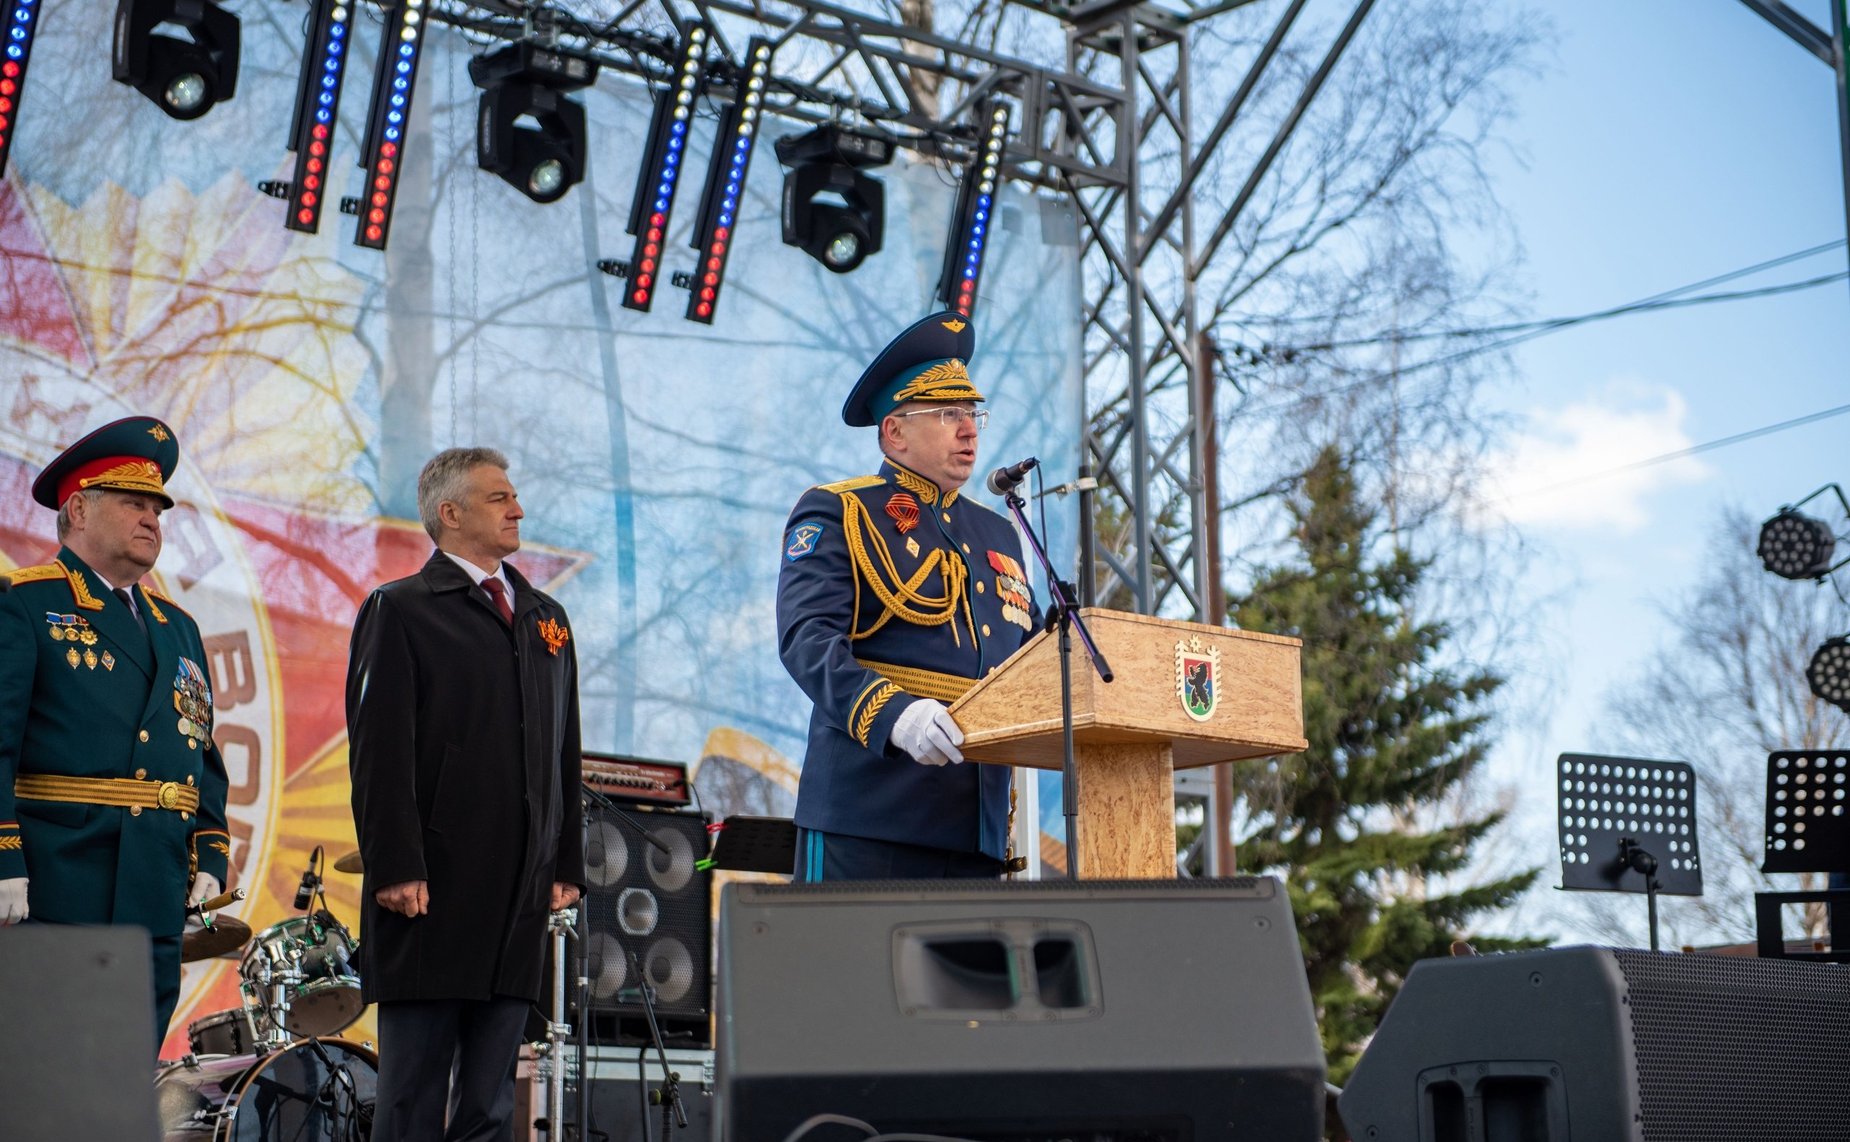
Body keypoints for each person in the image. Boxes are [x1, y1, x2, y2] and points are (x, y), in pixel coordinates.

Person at [346, 446, 586, 1142]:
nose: (517, 508)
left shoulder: (547, 617)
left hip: (518, 893)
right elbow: (378, 749)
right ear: (449, 514)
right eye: (497, 497)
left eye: (514, 496)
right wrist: (394, 864)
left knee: (488, 1104)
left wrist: (564, 862)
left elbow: (562, 748)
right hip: (432, 890)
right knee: (414, 1102)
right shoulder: (402, 610)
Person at [778, 311, 1039, 881]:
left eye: (973, 414)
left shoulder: (997, 532)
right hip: (870, 814)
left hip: (976, 831)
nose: (970, 430)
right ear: (894, 431)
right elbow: (807, 640)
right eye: (949, 414)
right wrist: (896, 715)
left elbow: (1039, 660)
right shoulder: (841, 509)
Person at [0, 415, 231, 1051]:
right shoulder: (23, 602)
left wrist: (209, 850)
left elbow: (200, 750)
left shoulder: (176, 625)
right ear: (78, 509)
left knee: (123, 1086)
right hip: (59, 885)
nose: (152, 519)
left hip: (153, 892)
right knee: (56, 1088)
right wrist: (2, 859)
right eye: (132, 503)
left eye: (157, 507)